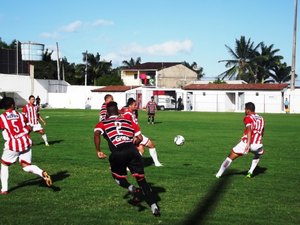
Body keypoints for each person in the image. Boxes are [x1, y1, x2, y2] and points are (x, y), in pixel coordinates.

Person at [94, 101, 160, 216]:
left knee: (116, 177)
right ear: (118, 110)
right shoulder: (127, 121)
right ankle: (154, 206)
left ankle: (131, 188)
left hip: (118, 152)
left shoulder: (103, 123)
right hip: (132, 151)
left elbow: (96, 134)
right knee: (142, 180)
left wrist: (98, 150)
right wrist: (135, 141)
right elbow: (139, 137)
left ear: (107, 113)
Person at [0, 97, 52, 194]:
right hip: (26, 142)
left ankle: (4, 189)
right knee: (26, 165)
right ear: (12, 105)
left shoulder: (2, 118)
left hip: (13, 144)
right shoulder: (19, 115)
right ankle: (42, 173)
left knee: (4, 165)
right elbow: (29, 127)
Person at [215, 102, 265, 178]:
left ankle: (218, 174)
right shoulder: (261, 118)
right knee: (257, 154)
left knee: (230, 156)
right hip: (258, 144)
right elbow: (262, 131)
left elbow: (249, 130)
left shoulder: (248, 117)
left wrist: (248, 144)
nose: (244, 111)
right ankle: (250, 172)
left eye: (245, 109)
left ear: (248, 110)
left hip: (247, 143)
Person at [122, 98, 163, 167]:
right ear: (130, 105)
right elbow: (126, 126)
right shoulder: (127, 114)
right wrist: (133, 136)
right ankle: (156, 163)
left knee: (141, 149)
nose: (136, 106)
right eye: (134, 105)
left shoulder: (132, 113)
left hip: (136, 134)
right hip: (135, 135)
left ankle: (130, 165)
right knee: (150, 145)